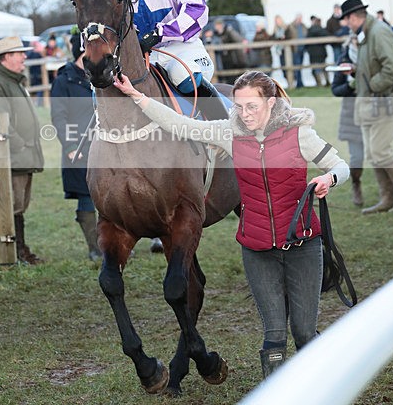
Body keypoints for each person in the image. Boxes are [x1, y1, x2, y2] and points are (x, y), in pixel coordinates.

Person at [112, 69, 349, 379]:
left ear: (270, 103)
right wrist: (138, 96)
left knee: (304, 333)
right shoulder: (230, 132)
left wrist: (328, 178)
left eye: (251, 106)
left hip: (303, 245)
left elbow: (340, 165)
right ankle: (279, 396)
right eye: (238, 106)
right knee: (274, 334)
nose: (244, 114)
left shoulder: (299, 133)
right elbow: (181, 125)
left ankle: (319, 385)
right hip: (257, 249)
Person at [337, 0, 393, 213]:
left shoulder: (379, 31)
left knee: (380, 151)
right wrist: (356, 74)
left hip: (385, 102)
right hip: (370, 103)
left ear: (353, 17)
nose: (346, 25)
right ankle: (387, 198)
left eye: (346, 20)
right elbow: (372, 66)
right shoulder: (366, 34)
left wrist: (373, 85)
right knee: (374, 155)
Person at [0, 36, 45, 263]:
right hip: (13, 156)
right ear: (7, 57)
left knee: (19, 206)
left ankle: (20, 249)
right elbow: (2, 122)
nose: (24, 57)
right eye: (19, 53)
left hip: (24, 154)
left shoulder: (12, 80)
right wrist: (20, 144)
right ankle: (16, 252)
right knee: (13, 207)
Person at [50, 33, 101, 263]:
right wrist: (70, 145)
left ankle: (114, 242)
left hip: (105, 144)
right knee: (86, 196)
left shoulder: (100, 76)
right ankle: (95, 247)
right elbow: (58, 116)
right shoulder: (64, 81)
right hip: (78, 146)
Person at [330, 33, 364, 205]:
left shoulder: (373, 57)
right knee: (357, 157)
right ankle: (356, 184)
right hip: (352, 114)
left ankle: (389, 194)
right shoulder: (344, 59)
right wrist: (350, 85)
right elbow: (335, 89)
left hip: (375, 112)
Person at [285, 13, 307, 88]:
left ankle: (300, 82)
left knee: (300, 66)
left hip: (302, 49)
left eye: (301, 19)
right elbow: (287, 36)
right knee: (297, 66)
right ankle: (299, 83)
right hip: (295, 49)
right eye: (299, 19)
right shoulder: (291, 26)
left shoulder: (303, 26)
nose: (300, 20)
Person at [306, 16, 328, 86]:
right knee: (323, 67)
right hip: (321, 52)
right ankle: (327, 81)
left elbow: (307, 41)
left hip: (313, 53)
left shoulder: (310, 30)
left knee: (316, 69)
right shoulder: (322, 30)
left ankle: (319, 83)